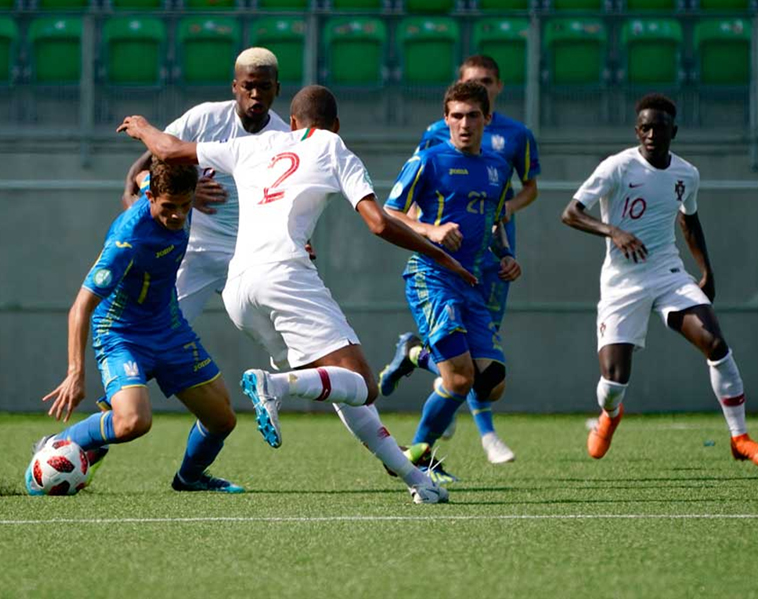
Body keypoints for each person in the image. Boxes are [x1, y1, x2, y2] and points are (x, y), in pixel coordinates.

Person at [116, 85, 479, 504]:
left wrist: (142, 128)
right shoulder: (332, 145)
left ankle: (417, 480)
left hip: (240, 290)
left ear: (290, 123)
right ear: (336, 125)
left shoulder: (254, 144)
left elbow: (172, 148)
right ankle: (275, 385)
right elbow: (378, 223)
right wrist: (441, 256)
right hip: (285, 275)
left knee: (341, 388)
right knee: (363, 383)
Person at [561, 93, 758, 468]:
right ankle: (610, 415)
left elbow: (688, 220)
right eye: (644, 127)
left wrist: (706, 269)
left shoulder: (686, 174)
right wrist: (614, 231)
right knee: (613, 384)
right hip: (622, 283)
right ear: (637, 130)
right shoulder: (617, 167)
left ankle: (740, 438)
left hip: (667, 273)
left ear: (672, 131)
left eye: (658, 128)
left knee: (715, 342)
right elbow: (571, 213)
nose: (650, 134)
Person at [25, 160, 243, 495]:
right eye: (168, 208)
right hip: (121, 335)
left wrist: (148, 145)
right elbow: (80, 307)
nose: (177, 216)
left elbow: (144, 174)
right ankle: (59, 442)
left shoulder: (167, 194)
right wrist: (75, 372)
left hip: (169, 329)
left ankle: (190, 479)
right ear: (152, 198)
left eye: (185, 206)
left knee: (222, 420)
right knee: (133, 422)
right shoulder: (128, 241)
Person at [378, 55, 540, 464]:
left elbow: (494, 223)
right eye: (456, 116)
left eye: (472, 116)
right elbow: (389, 211)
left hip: (473, 281)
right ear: (445, 119)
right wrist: (431, 231)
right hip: (431, 275)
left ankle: (414, 354)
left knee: (491, 383)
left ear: (487, 118)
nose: (464, 124)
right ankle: (418, 455)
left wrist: (506, 255)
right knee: (460, 376)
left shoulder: (498, 167)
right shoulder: (429, 159)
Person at [122, 47, 290, 323]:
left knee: (284, 337)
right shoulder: (204, 119)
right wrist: (184, 194)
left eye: (265, 87)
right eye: (248, 86)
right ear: (235, 86)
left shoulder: (284, 139)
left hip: (250, 256)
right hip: (195, 249)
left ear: (277, 89)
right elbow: (137, 175)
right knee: (160, 327)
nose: (256, 95)